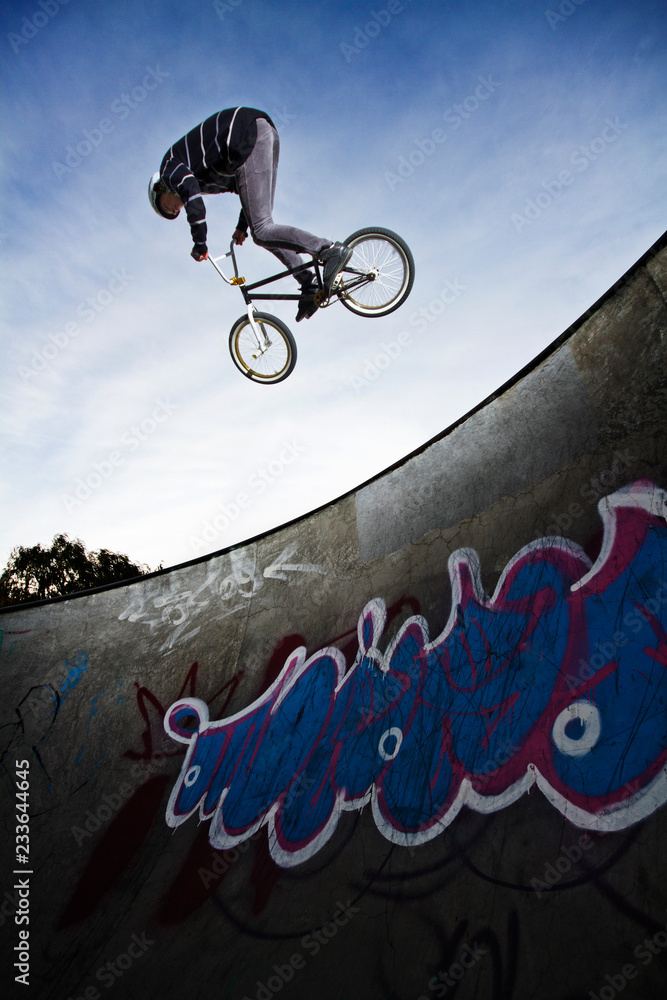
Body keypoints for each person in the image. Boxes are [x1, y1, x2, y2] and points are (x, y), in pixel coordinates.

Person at [148, 107, 352, 322]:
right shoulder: (204, 178)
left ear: (159, 190)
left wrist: (200, 244)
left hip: (245, 134)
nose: (174, 211)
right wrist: (241, 227)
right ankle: (308, 282)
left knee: (262, 230)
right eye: (173, 214)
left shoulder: (168, 170)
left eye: (166, 208)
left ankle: (328, 250)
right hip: (260, 135)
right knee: (265, 231)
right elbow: (243, 187)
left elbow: (190, 193)